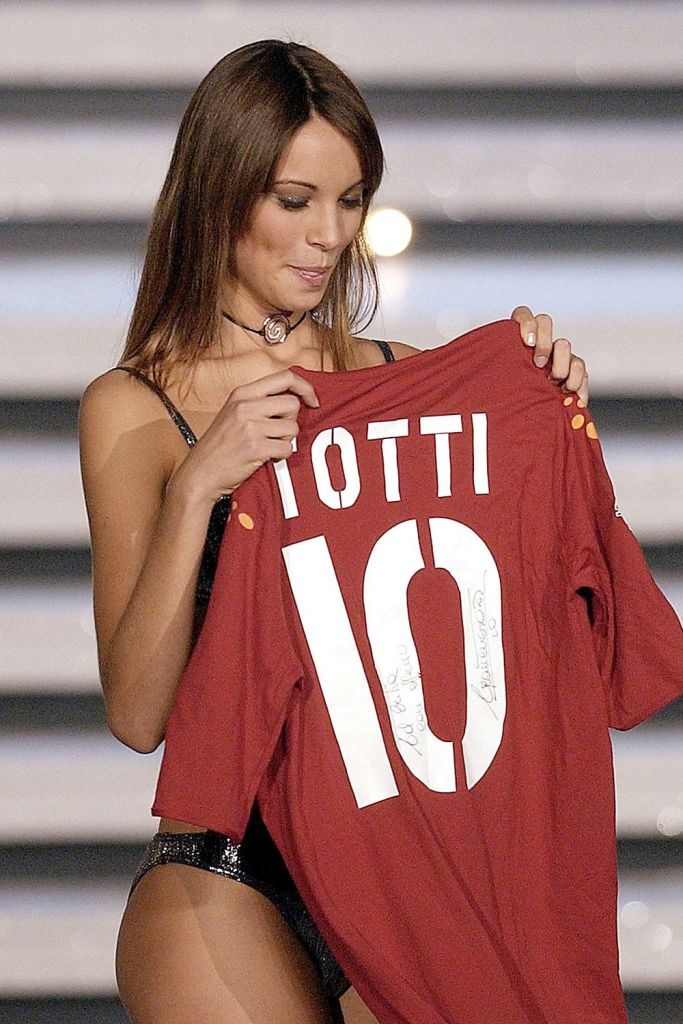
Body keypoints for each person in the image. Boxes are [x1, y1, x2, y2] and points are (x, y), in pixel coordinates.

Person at [78, 40, 592, 1024]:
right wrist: (198, 486)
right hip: (222, 873)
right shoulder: (135, 407)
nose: (326, 235)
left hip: (410, 866)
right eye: (293, 199)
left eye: (349, 200)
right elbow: (138, 715)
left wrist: (546, 407)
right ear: (219, 192)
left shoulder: (414, 383)